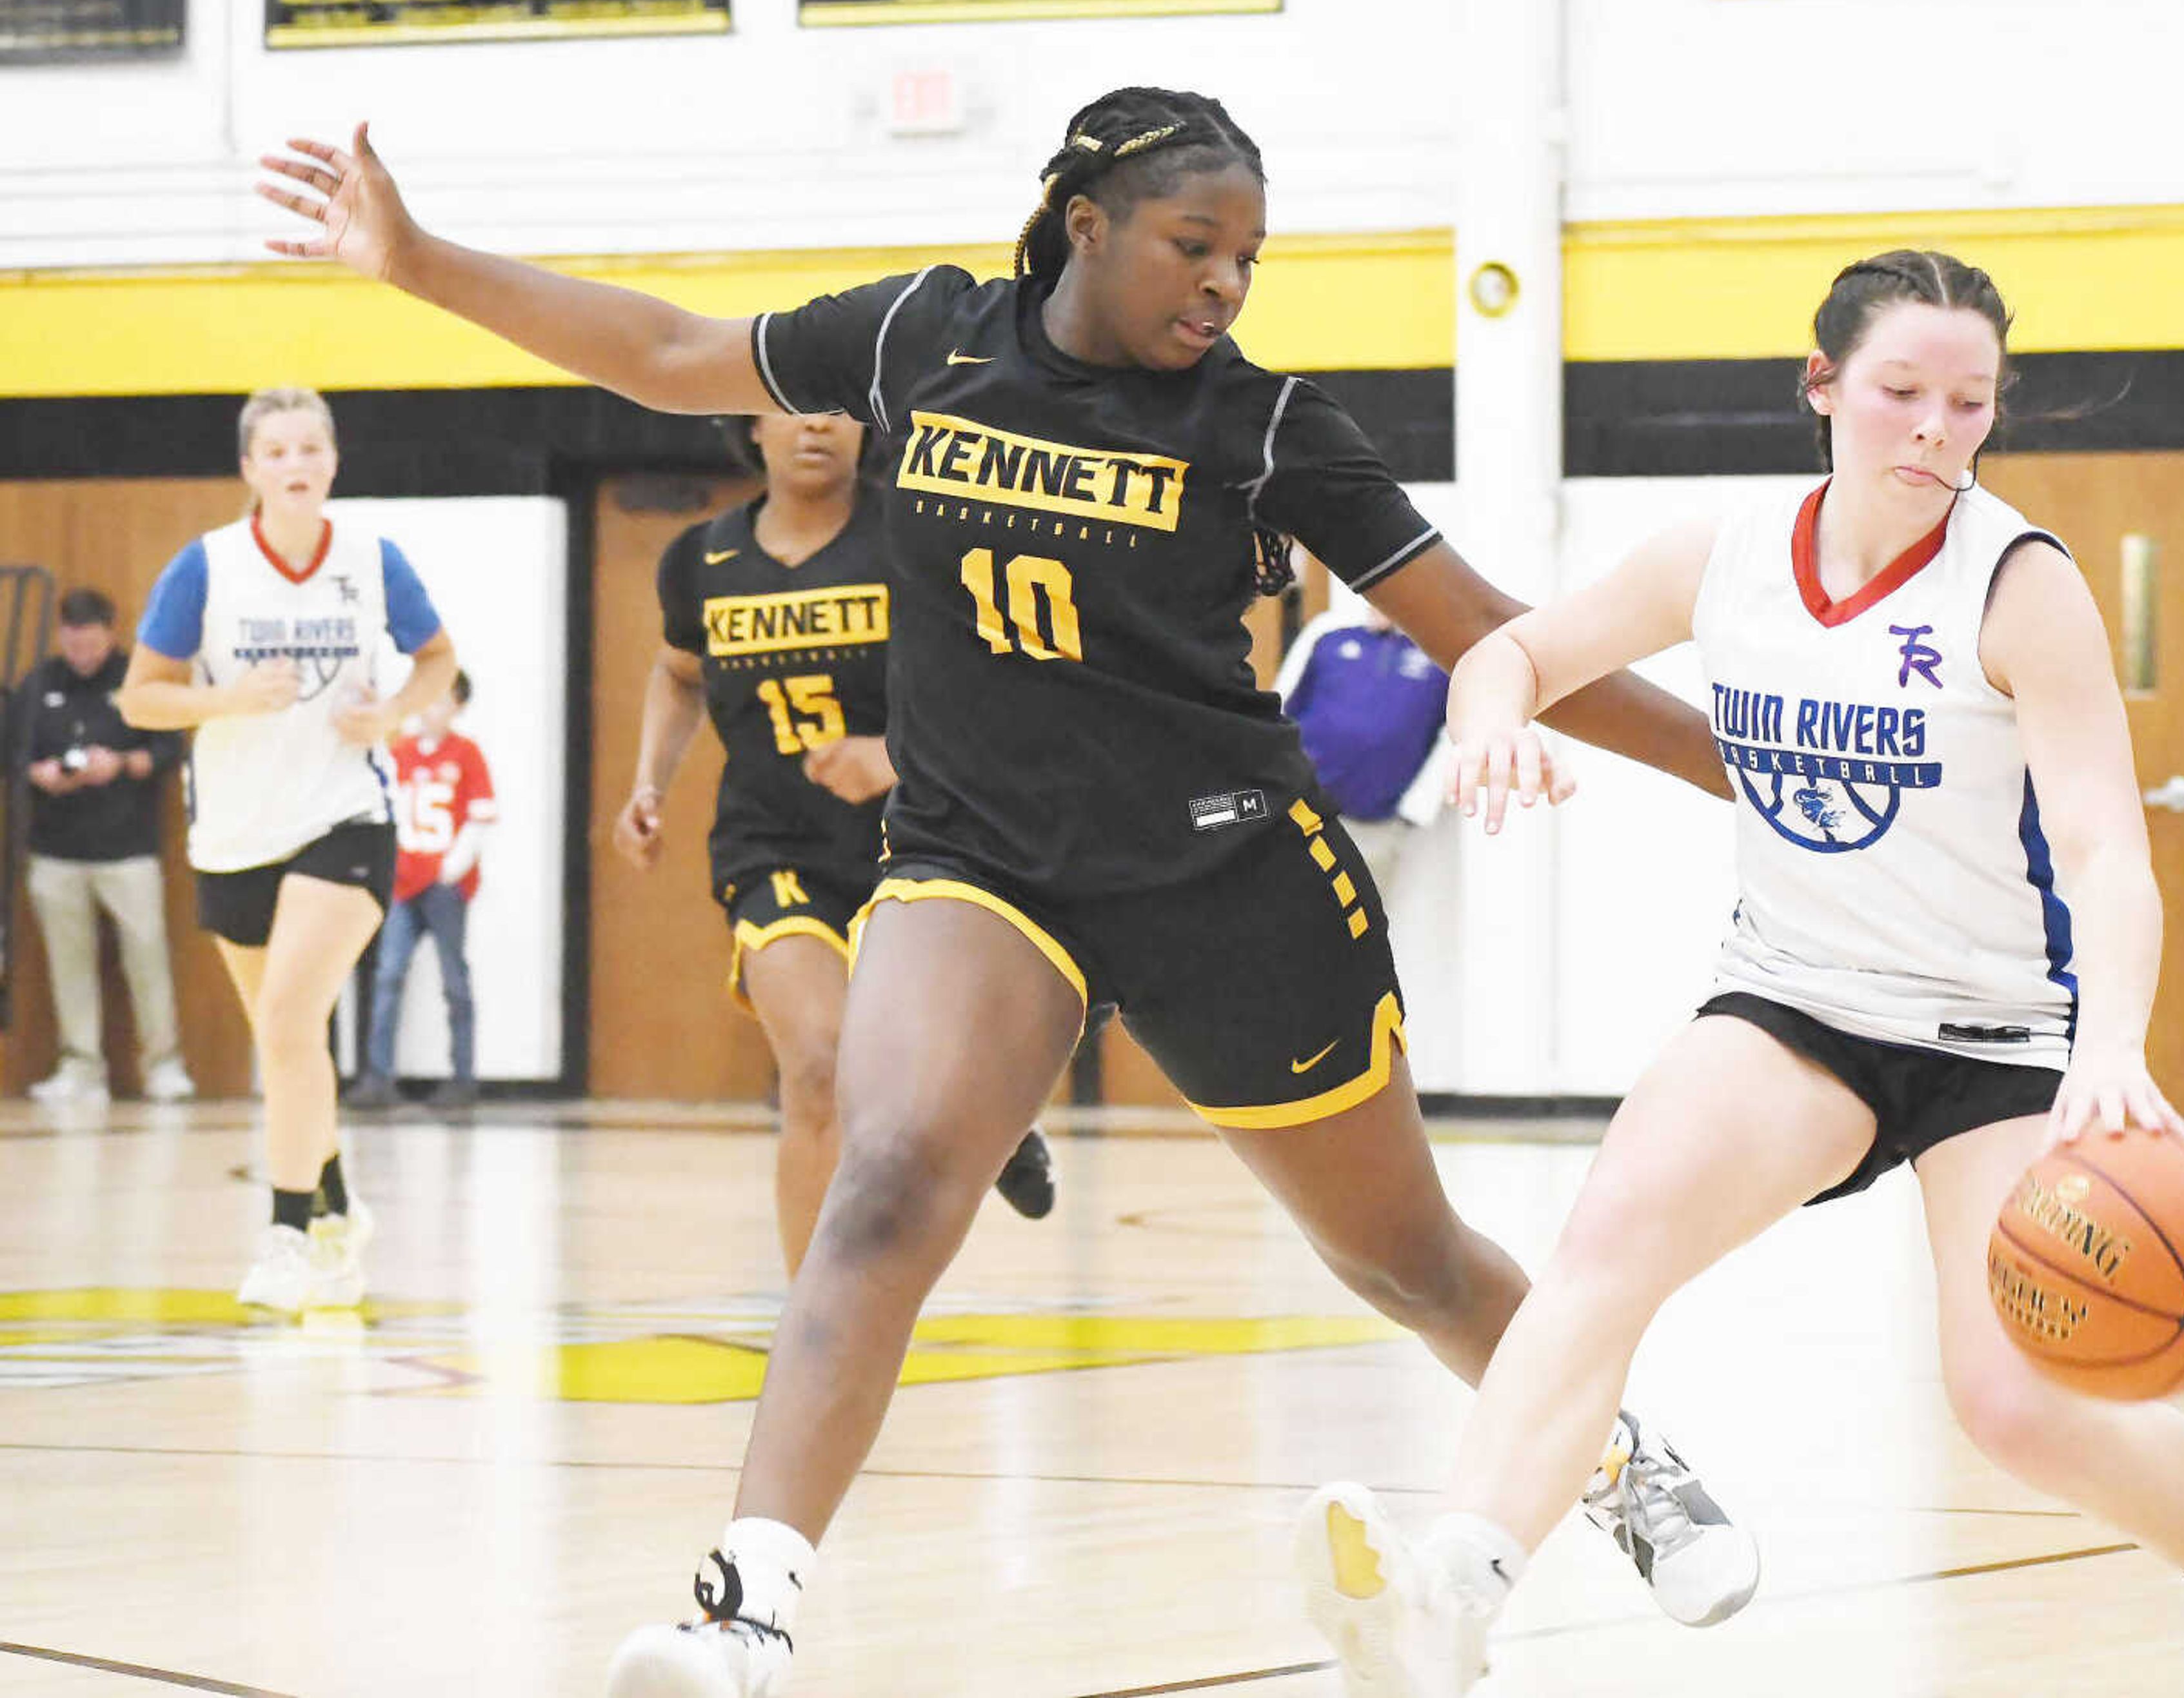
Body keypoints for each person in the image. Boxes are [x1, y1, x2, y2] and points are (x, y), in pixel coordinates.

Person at [255, 90, 1752, 1698]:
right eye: (1195, 242)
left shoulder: (1261, 424)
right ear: (1084, 220)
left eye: (1248, 254)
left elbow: (1488, 628)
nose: (1225, 281)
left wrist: (1743, 768)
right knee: (887, 1178)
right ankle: (741, 1612)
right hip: (982, 860)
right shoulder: (921, 333)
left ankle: (1615, 1458)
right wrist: (412, 260)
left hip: (1224, 868)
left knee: (1405, 1262)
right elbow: (671, 349)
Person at [1299, 252, 2184, 1697]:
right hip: (1797, 1003)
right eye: (1901, 392)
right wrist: (1496, 714)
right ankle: (1458, 1586)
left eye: (1969, 400)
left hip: (1995, 1036)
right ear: (1822, 388)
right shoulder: (1728, 549)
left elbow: (2106, 851)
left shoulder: (2023, 583)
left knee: (2013, 1406)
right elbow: (1517, 648)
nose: (1936, 427)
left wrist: (2112, 1050)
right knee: (1605, 1244)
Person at [614, 409, 1057, 1279]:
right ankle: (814, 1326)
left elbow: (1005, 683)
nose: (816, 423)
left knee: (913, 1074)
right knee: (819, 1062)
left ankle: (987, 1111)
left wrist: (892, 755)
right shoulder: (701, 560)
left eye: (837, 406)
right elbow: (678, 672)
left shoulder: (918, 538)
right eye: (794, 405)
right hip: (773, 848)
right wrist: (647, 784)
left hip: (926, 846)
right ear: (752, 425)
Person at [119, 386, 460, 1318]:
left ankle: (285, 1233)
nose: (296, 463)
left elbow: (438, 660)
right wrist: (224, 701)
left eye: (311, 446)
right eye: (277, 451)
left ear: (334, 461)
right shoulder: (207, 568)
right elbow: (140, 698)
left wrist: (391, 714)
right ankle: (339, 1204)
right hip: (233, 833)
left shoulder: (373, 560)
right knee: (290, 1040)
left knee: (286, 1024)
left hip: (346, 817)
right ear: (251, 470)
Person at [14, 587, 194, 1105]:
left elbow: (167, 750)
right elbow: (14, 751)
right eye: (73, 644)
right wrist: (39, 772)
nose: (82, 655)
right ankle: (81, 1067)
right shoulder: (41, 682)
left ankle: (164, 1064)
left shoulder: (138, 680)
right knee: (69, 963)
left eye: (91, 644)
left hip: (127, 847)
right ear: (61, 636)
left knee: (146, 956)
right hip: (56, 849)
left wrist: (120, 762)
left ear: (110, 634)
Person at [352, 669, 495, 1110]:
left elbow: (481, 814)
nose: (431, 709)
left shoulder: (467, 754)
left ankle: (463, 1076)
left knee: (454, 977)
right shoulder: (401, 753)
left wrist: (454, 866)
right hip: (402, 882)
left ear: (458, 706)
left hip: (445, 885)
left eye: (442, 700)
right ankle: (378, 1076)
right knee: (389, 973)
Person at [1275, 598, 1451, 894]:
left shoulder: (1439, 655)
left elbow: (1453, 737)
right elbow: (1282, 707)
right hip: (1298, 813)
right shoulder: (1330, 632)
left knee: (1354, 930)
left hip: (1374, 829)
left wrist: (1414, 811)